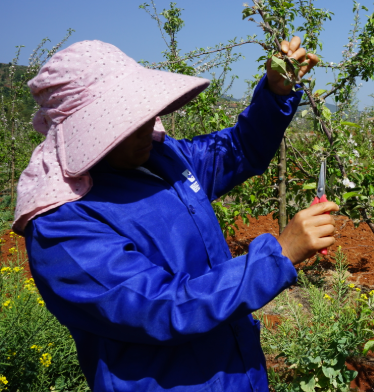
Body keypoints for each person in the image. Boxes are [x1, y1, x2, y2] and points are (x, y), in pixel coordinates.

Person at [13, 37, 336, 392]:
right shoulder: (63, 226)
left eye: (141, 108)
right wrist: (278, 255)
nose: (146, 123)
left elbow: (239, 149)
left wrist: (275, 94)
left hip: (236, 374)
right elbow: (162, 308)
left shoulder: (161, 160)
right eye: (123, 118)